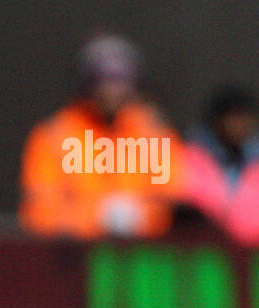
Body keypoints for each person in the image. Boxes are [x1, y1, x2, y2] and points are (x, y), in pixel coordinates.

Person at [20, 33, 184, 240]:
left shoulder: (155, 134)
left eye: (121, 80)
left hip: (142, 259)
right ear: (86, 82)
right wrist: (96, 217)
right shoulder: (54, 135)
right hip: (74, 258)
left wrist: (141, 217)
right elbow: (38, 212)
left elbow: (173, 204)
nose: (112, 90)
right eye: (103, 79)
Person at [182, 85, 259, 247]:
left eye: (246, 117)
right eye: (235, 117)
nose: (241, 124)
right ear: (218, 119)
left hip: (253, 256)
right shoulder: (191, 158)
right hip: (202, 250)